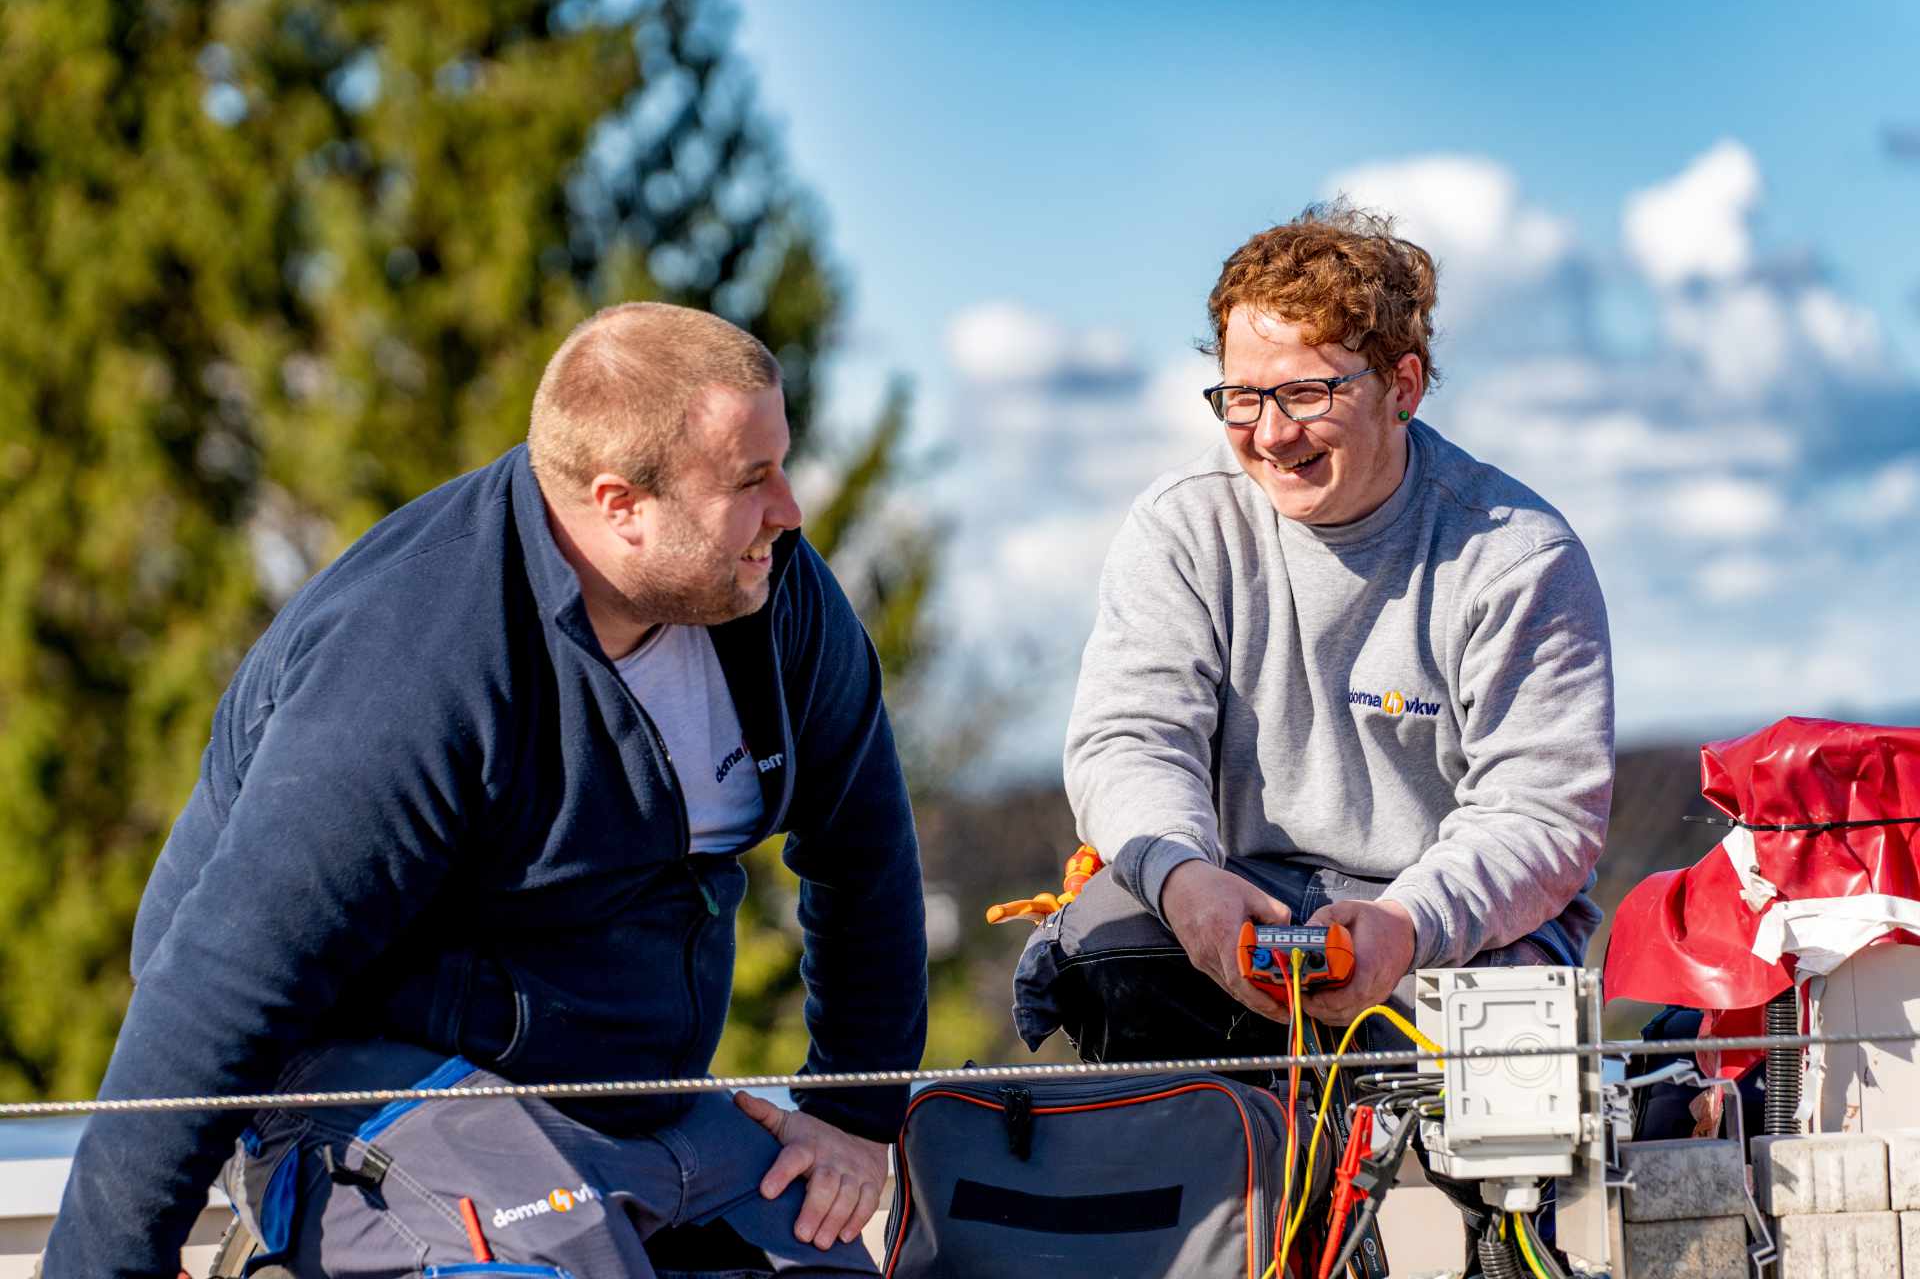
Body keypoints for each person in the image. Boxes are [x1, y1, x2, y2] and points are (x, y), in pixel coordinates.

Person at [42, 303, 928, 1278]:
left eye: (783, 462)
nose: (792, 508)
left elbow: (864, 854)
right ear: (620, 502)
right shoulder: (416, 662)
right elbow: (218, 984)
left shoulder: (775, 595)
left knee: (832, 1258)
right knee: (554, 1266)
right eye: (752, 478)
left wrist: (853, 1113)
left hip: (622, 1086)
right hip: (369, 1063)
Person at [1014, 203, 1614, 1062]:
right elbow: (1130, 740)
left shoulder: (1516, 559)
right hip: (1231, 892)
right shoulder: (1183, 528)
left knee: (1503, 1061)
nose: (1270, 433)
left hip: (1448, 927)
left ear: (1402, 387)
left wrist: (1405, 926)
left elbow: (1541, 814)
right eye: (1243, 397)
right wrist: (1185, 885)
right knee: (1109, 949)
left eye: (1306, 393)